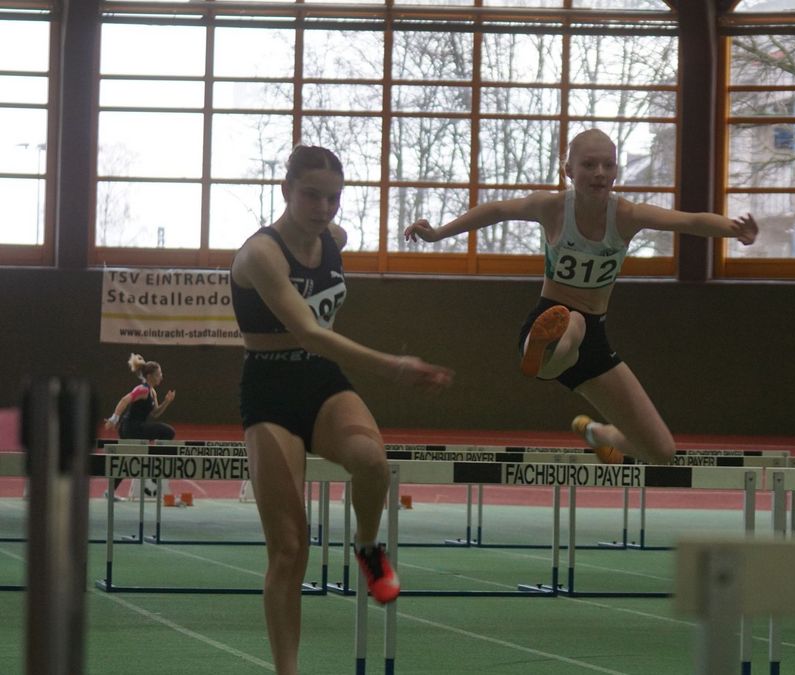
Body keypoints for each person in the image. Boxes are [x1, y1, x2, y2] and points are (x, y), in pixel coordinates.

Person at [404, 128, 758, 465]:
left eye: (608, 165)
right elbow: (496, 211)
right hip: (551, 323)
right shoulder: (552, 208)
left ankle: (597, 433)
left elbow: (689, 221)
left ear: (616, 172)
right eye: (589, 164)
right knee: (572, 320)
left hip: (594, 342)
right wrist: (439, 234)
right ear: (569, 171)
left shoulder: (626, 215)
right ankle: (543, 348)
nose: (599, 173)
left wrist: (735, 231)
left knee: (661, 451)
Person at [230, 145, 453, 675]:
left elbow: (318, 340)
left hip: (321, 383)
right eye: (312, 195)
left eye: (333, 198)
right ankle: (288, 669)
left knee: (372, 462)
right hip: (270, 392)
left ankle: (368, 546)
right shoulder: (260, 255)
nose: (324, 208)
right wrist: (392, 366)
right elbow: (310, 332)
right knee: (290, 548)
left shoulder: (334, 237)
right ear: (286, 189)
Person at [103, 353, 175, 500]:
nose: (161, 377)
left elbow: (155, 413)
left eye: (161, 374)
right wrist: (114, 419)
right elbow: (124, 400)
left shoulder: (152, 392)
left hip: (134, 428)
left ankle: (109, 492)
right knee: (168, 431)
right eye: (159, 374)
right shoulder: (143, 389)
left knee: (128, 459)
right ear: (149, 376)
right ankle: (153, 462)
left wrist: (167, 402)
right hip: (131, 427)